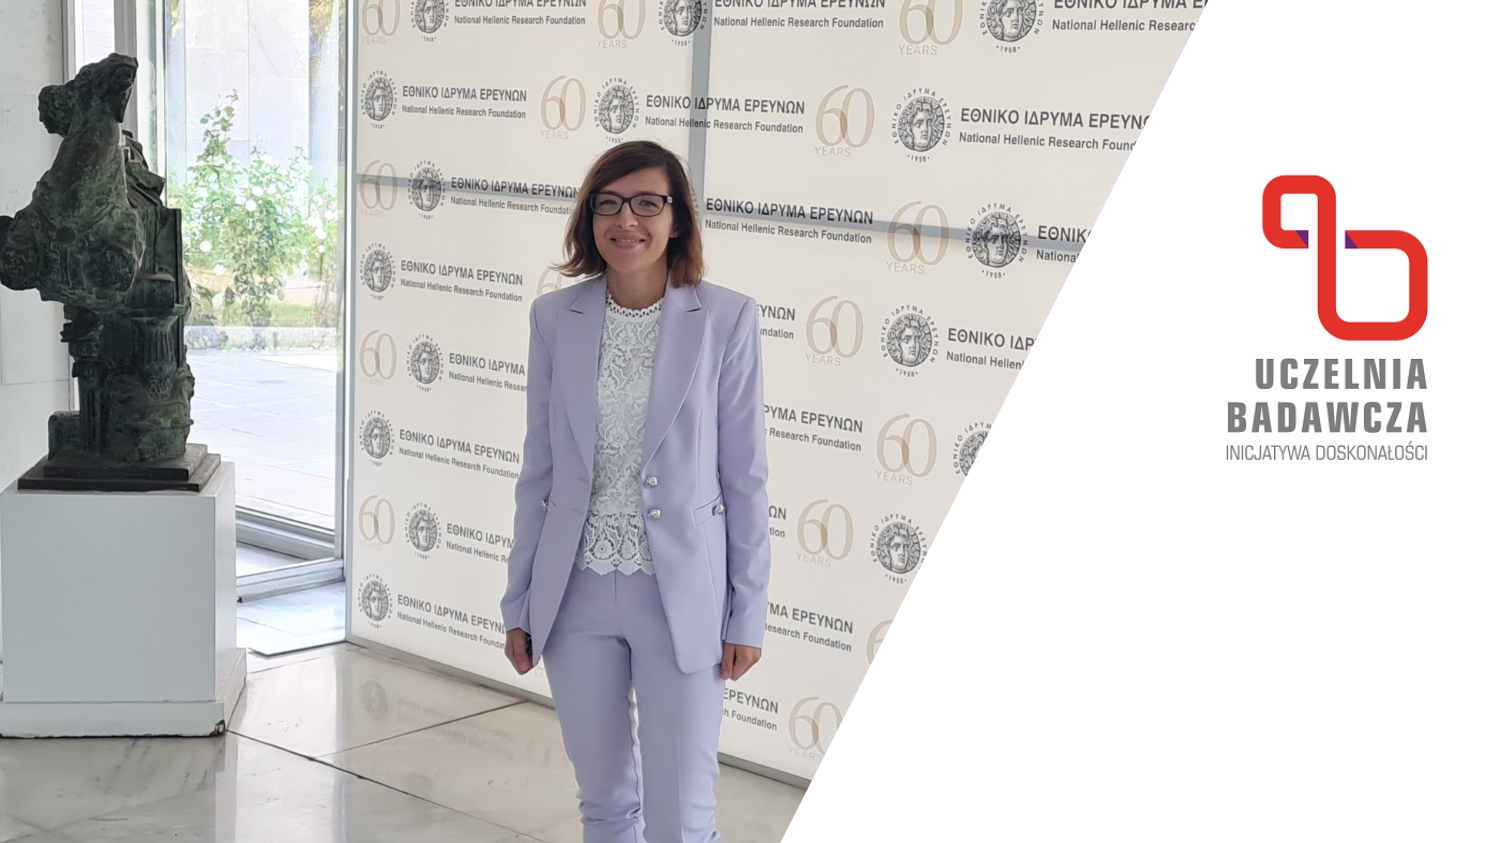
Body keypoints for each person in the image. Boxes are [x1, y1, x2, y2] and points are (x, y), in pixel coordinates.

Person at [501, 140, 771, 843]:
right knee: (605, 804)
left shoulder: (727, 320)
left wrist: (747, 613)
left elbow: (744, 477)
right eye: (610, 203)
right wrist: (519, 601)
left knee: (681, 815)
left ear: (677, 218)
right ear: (589, 217)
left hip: (681, 596)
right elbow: (539, 472)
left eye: (648, 202)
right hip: (573, 594)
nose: (627, 220)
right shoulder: (553, 319)